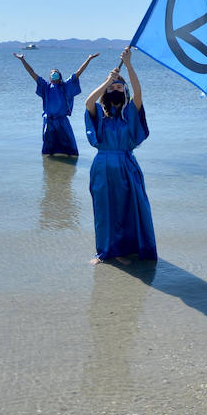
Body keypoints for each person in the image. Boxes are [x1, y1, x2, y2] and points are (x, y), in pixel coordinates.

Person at [83, 46, 155, 264]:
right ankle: (105, 251)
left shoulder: (129, 113)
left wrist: (129, 65)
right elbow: (88, 102)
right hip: (102, 166)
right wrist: (107, 81)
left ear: (125, 91)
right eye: (112, 87)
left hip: (126, 164)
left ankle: (125, 250)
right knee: (104, 208)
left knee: (127, 206)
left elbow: (138, 93)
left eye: (119, 87)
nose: (116, 89)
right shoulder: (100, 115)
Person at [14, 51, 100, 157]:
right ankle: (50, 166)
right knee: (48, 149)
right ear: (50, 77)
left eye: (56, 73)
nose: (54, 75)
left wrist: (89, 59)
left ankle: (69, 167)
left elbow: (78, 72)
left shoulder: (65, 86)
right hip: (49, 121)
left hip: (62, 120)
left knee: (70, 146)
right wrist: (22, 60)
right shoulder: (45, 87)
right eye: (52, 74)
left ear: (60, 76)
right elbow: (32, 73)